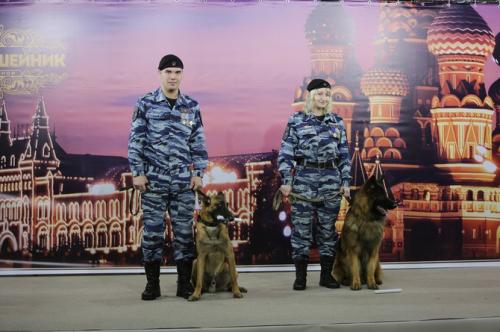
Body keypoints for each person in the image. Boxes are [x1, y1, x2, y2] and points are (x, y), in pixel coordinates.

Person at [128, 54, 208, 300]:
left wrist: (198, 173)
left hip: (183, 181)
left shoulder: (191, 106)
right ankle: (153, 285)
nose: (173, 76)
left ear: (181, 75)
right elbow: (136, 140)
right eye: (168, 72)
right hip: (154, 181)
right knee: (152, 234)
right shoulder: (146, 103)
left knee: (184, 234)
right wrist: (138, 173)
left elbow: (198, 141)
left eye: (177, 72)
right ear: (160, 74)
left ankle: (184, 284)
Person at [278, 78, 351, 291]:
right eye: (319, 94)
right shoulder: (296, 121)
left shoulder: (337, 122)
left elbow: (344, 154)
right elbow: (286, 152)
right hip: (303, 181)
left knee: (328, 230)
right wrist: (286, 180)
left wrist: (346, 181)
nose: (323, 98)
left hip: (331, 180)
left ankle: (326, 276)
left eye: (327, 95)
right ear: (310, 97)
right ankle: (300, 277)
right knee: (301, 230)